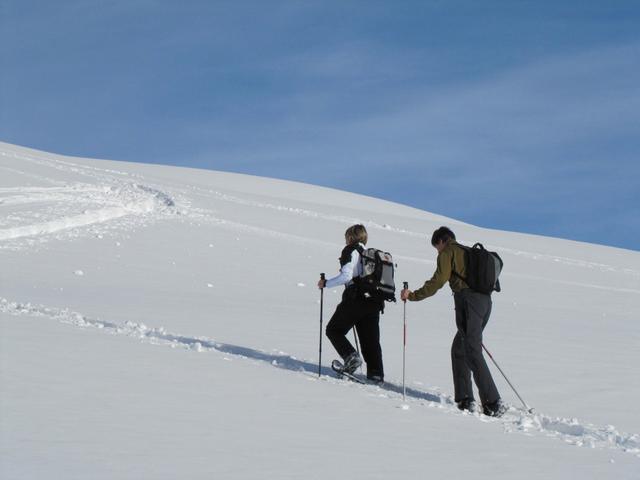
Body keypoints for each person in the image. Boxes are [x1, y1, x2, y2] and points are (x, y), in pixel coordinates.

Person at [400, 226, 504, 416]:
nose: (437, 251)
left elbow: (438, 281)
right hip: (485, 302)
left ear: (441, 241)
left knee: (472, 350)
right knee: (459, 348)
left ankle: (493, 402)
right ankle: (465, 399)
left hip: (468, 301)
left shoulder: (448, 251)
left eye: (436, 247)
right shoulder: (466, 251)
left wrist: (413, 295)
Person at [318, 224, 384, 384]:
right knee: (370, 340)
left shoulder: (350, 250)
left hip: (356, 297)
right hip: (375, 300)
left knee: (334, 329)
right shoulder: (372, 255)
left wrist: (326, 283)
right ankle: (376, 374)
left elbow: (346, 276)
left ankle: (351, 357)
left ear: (350, 237)